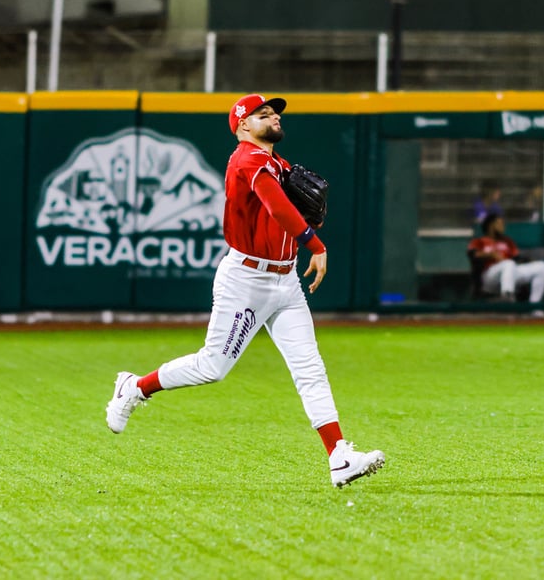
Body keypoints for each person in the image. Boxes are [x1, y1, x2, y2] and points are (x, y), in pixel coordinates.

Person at [104, 93, 385, 489]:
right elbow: (275, 205)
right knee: (212, 367)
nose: (272, 117)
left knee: (310, 368)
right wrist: (315, 243)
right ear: (242, 126)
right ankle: (134, 386)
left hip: (285, 281)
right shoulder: (247, 160)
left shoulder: (276, 162)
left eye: (273, 113)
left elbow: (290, 204)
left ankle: (339, 456)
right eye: (262, 114)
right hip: (247, 281)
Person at [466, 213, 544, 303]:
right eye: (500, 223)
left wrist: (530, 261)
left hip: (510, 271)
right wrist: (491, 255)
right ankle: (507, 297)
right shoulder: (479, 241)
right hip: (489, 276)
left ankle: (534, 307)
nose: (503, 226)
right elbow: (473, 254)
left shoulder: (507, 241)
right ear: (491, 225)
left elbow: (517, 258)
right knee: (508, 263)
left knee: (543, 267)